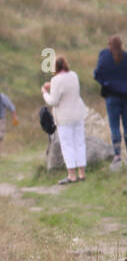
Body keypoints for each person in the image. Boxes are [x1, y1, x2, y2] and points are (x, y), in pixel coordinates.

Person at [42, 56, 88, 184]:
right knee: (80, 143)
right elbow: (68, 88)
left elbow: (53, 101)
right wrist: (53, 85)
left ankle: (71, 175)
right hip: (78, 114)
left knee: (67, 146)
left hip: (65, 117)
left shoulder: (55, 80)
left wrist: (45, 92)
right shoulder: (74, 75)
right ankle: (82, 173)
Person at [93, 35, 127, 165]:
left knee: (114, 127)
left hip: (112, 96)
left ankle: (117, 154)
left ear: (109, 45)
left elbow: (97, 74)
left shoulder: (104, 57)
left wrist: (107, 84)